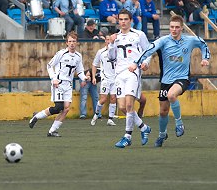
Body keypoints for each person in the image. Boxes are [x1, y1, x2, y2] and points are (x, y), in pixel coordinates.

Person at [131, 15, 210, 147]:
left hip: (182, 78)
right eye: (172, 27)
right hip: (166, 80)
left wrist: (205, 58)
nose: (174, 30)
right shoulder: (163, 41)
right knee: (163, 111)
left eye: (177, 27)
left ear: (182, 28)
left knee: (172, 95)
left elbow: (203, 44)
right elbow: (149, 50)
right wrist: (136, 63)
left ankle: (179, 124)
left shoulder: (189, 40)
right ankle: (162, 134)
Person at [104, 10, 153, 148]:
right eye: (121, 19)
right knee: (122, 107)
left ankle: (127, 137)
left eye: (126, 19)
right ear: (118, 21)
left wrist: (145, 63)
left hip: (133, 72)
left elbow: (148, 51)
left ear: (131, 20)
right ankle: (144, 128)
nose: (123, 22)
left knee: (130, 105)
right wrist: (111, 43)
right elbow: (111, 57)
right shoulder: (116, 37)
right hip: (119, 74)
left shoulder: (139, 34)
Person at [28, 32, 86, 137]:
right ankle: (36, 116)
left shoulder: (78, 56)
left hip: (68, 85)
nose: (72, 43)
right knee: (58, 107)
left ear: (77, 43)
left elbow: (80, 70)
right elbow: (49, 65)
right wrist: (54, 79)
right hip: (58, 83)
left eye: (74, 41)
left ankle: (52, 131)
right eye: (70, 41)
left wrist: (84, 78)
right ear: (66, 43)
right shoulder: (61, 53)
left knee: (66, 108)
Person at [89, 38, 118, 126]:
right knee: (103, 99)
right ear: (105, 41)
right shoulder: (101, 52)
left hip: (115, 78)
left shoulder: (117, 51)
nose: (109, 41)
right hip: (105, 78)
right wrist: (93, 77)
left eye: (110, 40)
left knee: (113, 98)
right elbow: (94, 64)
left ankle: (110, 119)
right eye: (107, 39)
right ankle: (96, 114)